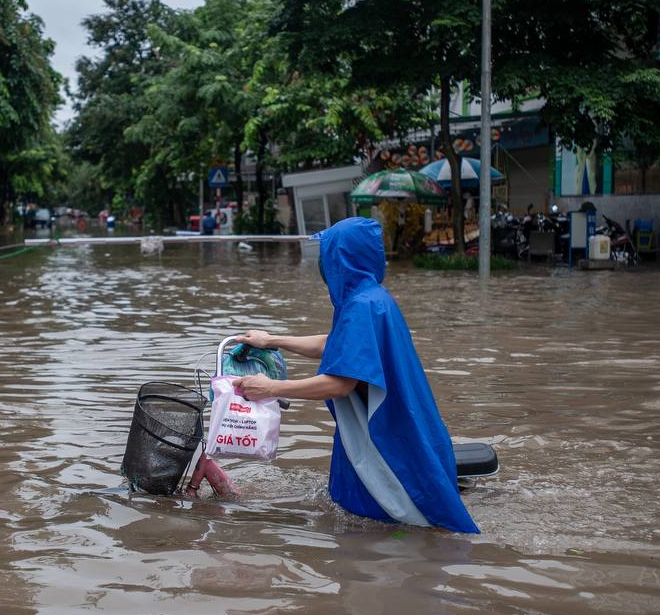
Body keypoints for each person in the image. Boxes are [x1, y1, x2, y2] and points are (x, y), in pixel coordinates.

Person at [189, 216, 479, 533]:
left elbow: (340, 384)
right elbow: (334, 344)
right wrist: (271, 340)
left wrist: (270, 387)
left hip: (387, 436)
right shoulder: (371, 298)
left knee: (407, 523)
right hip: (395, 425)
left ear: (340, 259)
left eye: (327, 255)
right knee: (357, 520)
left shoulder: (362, 306)